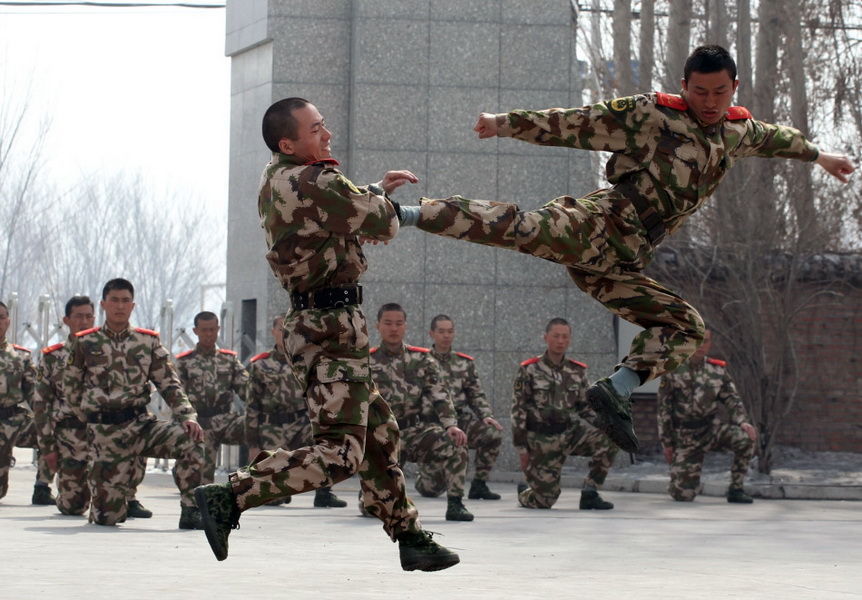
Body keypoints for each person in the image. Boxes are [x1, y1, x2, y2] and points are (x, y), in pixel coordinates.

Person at [394, 45, 855, 454]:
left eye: (719, 92)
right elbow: (578, 123)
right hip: (596, 225)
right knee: (521, 227)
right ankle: (409, 214)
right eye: (700, 92)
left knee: (687, 329)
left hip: (622, 262)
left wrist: (822, 157)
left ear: (733, 87)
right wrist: (505, 124)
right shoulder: (653, 115)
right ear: (683, 86)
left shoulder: (737, 131)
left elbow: (778, 139)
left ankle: (616, 389)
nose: (710, 103)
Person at [193, 97, 459, 572]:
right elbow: (380, 220)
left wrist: (373, 190)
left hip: (322, 326)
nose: (327, 134)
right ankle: (230, 494)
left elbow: (332, 213)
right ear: (288, 142)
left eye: (324, 126)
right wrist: (398, 207)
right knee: (341, 454)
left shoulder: (278, 179)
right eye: (316, 129)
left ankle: (409, 534)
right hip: (330, 329)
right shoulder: (314, 179)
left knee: (379, 433)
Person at [64, 278, 205, 528]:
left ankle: (192, 509)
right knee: (107, 518)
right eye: (115, 300)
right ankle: (114, 501)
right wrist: (91, 422)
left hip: (141, 426)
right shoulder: (85, 342)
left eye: (125, 301)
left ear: (133, 305)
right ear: (104, 304)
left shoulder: (147, 341)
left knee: (191, 440)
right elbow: (71, 387)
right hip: (106, 435)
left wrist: (187, 416)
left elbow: (169, 384)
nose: (120, 306)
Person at [38, 295, 151, 517]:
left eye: (89, 316)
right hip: (72, 435)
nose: (85, 321)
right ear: (66, 320)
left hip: (108, 429)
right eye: (78, 316)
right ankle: (80, 493)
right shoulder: (53, 357)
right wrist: (47, 446)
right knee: (73, 506)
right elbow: (41, 405)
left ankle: (127, 495)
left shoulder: (109, 349)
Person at [369, 304, 473, 521]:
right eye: (388, 323)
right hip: (383, 436)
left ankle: (455, 503)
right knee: (372, 508)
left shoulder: (421, 359)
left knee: (455, 444)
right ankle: (375, 495)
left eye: (398, 323)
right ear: (378, 326)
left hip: (415, 430)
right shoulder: (367, 361)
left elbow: (439, 394)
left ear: (405, 326)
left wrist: (450, 425)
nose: (393, 328)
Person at [513, 318, 617, 510]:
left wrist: (606, 424)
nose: (560, 341)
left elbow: (584, 407)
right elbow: (518, 409)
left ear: (569, 340)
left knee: (612, 438)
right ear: (546, 338)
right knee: (544, 501)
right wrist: (522, 447)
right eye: (556, 336)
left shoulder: (576, 371)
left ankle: (590, 493)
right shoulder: (529, 369)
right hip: (542, 439)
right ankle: (526, 492)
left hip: (570, 433)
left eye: (565, 337)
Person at [245, 316, 346, 508]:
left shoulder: (309, 362)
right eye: (282, 330)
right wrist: (253, 445)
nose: (287, 335)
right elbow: (252, 406)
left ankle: (324, 492)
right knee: (273, 499)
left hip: (302, 425)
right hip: (272, 428)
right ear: (273, 332)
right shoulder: (260, 365)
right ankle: (279, 489)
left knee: (332, 440)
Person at [658, 330, 757, 503]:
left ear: (710, 344)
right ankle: (680, 478)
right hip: (686, 437)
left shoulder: (717, 371)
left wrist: (743, 422)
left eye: (705, 341)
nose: (701, 346)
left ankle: (736, 489)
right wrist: (667, 443)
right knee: (683, 495)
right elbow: (663, 409)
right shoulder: (673, 370)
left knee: (745, 439)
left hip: (711, 430)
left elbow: (732, 400)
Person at [414, 314, 503, 501]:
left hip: (461, 421)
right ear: (432, 334)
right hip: (433, 425)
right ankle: (426, 477)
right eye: (441, 331)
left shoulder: (464, 363)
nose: (446, 335)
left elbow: (476, 394)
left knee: (492, 432)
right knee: (430, 490)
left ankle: (479, 484)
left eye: (450, 331)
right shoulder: (420, 362)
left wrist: (486, 415)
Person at [176, 312, 249, 486]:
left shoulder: (229, 360)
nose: (209, 334)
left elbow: (247, 390)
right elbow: (177, 396)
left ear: (218, 329)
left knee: (263, 426)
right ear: (195, 331)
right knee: (202, 480)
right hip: (198, 424)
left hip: (225, 421)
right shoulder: (185, 362)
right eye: (204, 330)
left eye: (212, 330)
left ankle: (255, 481)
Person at [0, 301, 56, 505]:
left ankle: (42, 487)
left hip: (15, 420)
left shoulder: (21, 357)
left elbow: (34, 394)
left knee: (52, 431)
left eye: (1, 317)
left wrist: (47, 418)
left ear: (8, 321)